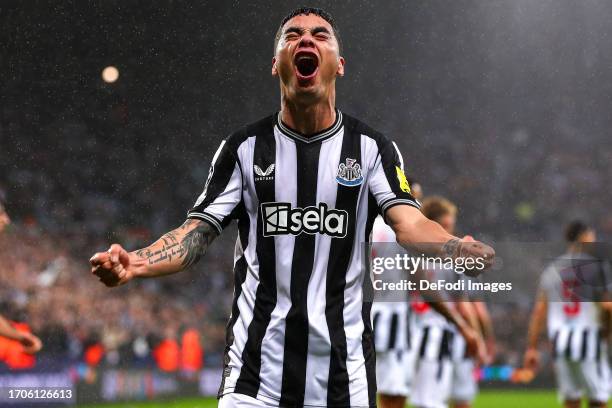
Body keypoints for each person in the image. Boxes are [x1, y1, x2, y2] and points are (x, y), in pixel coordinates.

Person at [90, 7, 494, 407]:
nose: (305, 39)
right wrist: (138, 263)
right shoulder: (243, 149)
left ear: (339, 65)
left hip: (343, 378)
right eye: (292, 35)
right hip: (255, 379)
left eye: (320, 35)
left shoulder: (372, 150)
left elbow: (410, 224)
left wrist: (453, 247)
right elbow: (196, 231)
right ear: (275, 65)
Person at [410, 196, 488, 408]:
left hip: (411, 333)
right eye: (445, 226)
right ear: (433, 225)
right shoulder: (453, 258)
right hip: (435, 333)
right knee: (432, 401)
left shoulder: (410, 247)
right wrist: (476, 337)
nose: (449, 232)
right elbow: (465, 304)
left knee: (414, 397)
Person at [524, 221, 611, 408]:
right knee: (598, 398)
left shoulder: (552, 270)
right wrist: (608, 331)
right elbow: (607, 307)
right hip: (589, 340)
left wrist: (531, 347)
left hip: (561, 342)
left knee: (571, 399)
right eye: (592, 235)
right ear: (584, 237)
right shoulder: (596, 268)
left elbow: (539, 311)